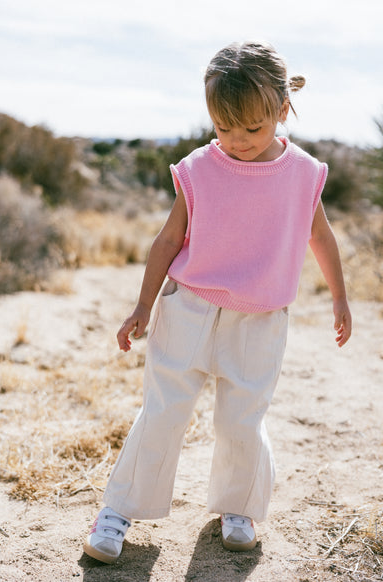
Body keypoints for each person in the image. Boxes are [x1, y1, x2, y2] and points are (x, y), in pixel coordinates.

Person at [83, 40, 352, 564]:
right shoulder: (199, 167)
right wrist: (142, 307)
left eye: (252, 128)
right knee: (163, 412)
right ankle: (118, 510)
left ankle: (238, 507)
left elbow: (321, 237)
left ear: (282, 108)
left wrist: (340, 297)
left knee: (242, 420)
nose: (237, 141)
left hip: (261, 318)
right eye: (223, 128)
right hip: (188, 309)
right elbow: (167, 240)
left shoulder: (302, 173)